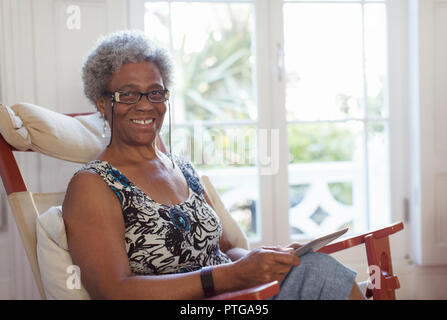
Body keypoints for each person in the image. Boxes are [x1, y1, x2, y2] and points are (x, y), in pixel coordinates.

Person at [62, 30, 364, 300]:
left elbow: (223, 250)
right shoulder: (93, 185)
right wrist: (231, 277)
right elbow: (113, 291)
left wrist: (261, 262)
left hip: (240, 295)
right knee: (320, 275)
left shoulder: (182, 168)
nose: (145, 104)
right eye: (127, 94)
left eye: (155, 92)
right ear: (102, 103)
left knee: (314, 266)